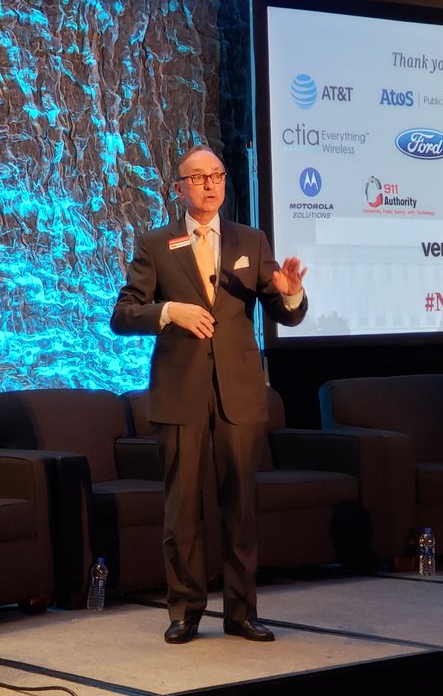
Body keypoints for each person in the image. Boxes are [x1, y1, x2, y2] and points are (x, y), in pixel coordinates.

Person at [110, 145, 307, 644]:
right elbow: (122, 315)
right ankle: (185, 611)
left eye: (217, 175)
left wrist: (290, 292)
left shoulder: (250, 240)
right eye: (198, 178)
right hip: (180, 392)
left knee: (240, 506)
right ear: (179, 188)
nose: (210, 184)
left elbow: (282, 312)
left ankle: (242, 612)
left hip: (238, 392)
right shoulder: (156, 243)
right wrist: (168, 311)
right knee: (182, 508)